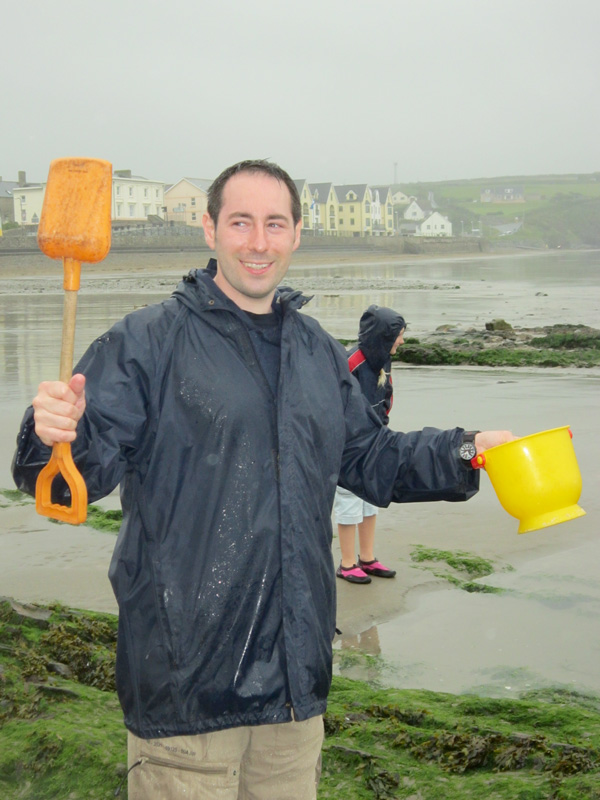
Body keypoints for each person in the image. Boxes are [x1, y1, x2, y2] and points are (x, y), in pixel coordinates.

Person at [12, 159, 514, 800]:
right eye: (241, 222)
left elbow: (368, 458)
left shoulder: (316, 351)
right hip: (186, 692)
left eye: (274, 224)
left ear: (297, 234)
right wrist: (51, 432)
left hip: (295, 693)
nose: (258, 241)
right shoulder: (146, 343)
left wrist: (468, 450)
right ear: (210, 229)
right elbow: (66, 483)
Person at [334, 304, 406, 584]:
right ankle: (347, 562)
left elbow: (386, 396)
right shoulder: (351, 363)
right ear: (383, 337)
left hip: (374, 441)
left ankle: (367, 557)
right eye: (398, 335)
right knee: (349, 500)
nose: (401, 341)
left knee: (371, 499)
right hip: (348, 447)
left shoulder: (382, 360)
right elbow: (334, 404)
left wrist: (382, 429)